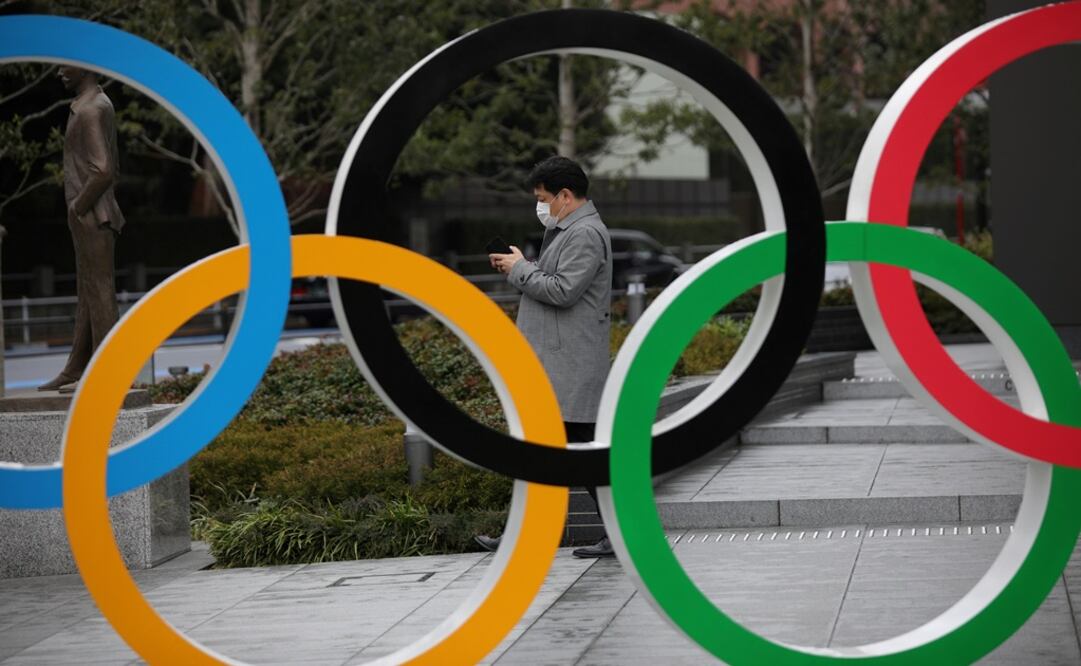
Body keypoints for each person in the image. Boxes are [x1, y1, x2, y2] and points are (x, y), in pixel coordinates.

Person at [477, 156, 615, 558]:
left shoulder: (585, 233)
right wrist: (524, 265)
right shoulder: (570, 229)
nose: (540, 206)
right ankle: (534, 534)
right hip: (561, 364)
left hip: (569, 366)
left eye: (543, 198)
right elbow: (557, 281)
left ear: (565, 196)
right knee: (556, 455)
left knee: (576, 455)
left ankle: (534, 536)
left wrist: (520, 269)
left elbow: (563, 291)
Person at [38, 66, 125, 392]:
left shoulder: (90, 109)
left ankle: (107, 372)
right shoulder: (96, 103)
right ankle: (77, 368)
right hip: (93, 213)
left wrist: (78, 205)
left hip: (92, 213)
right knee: (89, 292)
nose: (58, 71)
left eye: (65, 65)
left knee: (100, 292)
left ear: (84, 68)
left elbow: (103, 169)